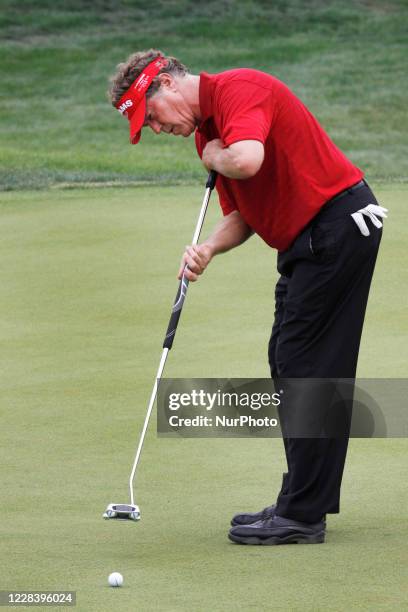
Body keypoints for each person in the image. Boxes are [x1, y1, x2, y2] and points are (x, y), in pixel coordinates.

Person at [108, 49, 387, 545]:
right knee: (289, 361)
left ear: (168, 84)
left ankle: (303, 515)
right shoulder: (207, 132)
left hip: (337, 225)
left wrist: (216, 154)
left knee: (307, 365)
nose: (154, 129)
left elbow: (246, 159)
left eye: (150, 116)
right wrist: (209, 248)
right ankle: (301, 501)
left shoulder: (240, 90)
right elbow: (245, 214)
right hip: (309, 240)